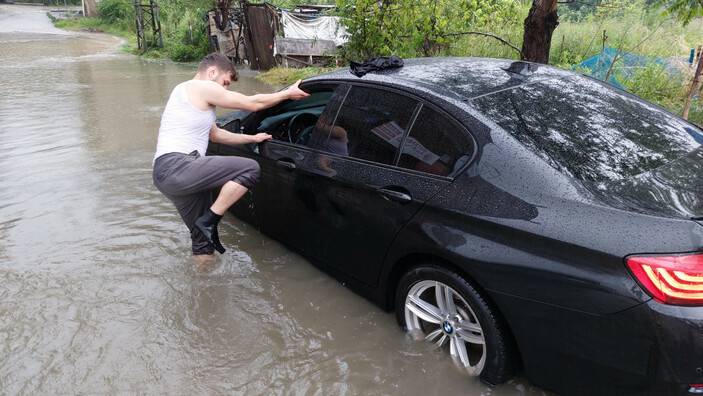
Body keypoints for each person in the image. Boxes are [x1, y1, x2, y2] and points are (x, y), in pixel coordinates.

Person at [152, 53, 309, 263]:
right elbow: (251, 103)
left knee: (203, 244)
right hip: (179, 165)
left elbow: (216, 135)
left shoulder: (187, 94)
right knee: (249, 169)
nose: (224, 89)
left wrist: (252, 137)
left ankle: (204, 289)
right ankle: (210, 220)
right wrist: (287, 94)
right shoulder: (200, 86)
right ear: (212, 72)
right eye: (225, 83)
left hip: (165, 174)